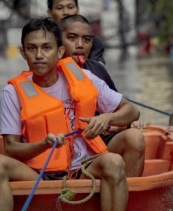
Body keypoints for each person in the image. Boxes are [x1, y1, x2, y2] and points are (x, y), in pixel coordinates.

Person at [0, 17, 142, 211]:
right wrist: (43, 144)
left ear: (59, 52)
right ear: (23, 53)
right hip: (38, 174)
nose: (39, 55)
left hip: (83, 168)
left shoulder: (85, 78)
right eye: (32, 49)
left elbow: (132, 111)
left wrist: (107, 118)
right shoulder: (11, 92)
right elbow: (11, 148)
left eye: (47, 48)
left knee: (114, 162)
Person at [59, 14, 144, 176]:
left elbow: (129, 110)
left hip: (93, 141)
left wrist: (107, 119)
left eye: (86, 40)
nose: (79, 45)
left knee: (134, 136)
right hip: (56, 150)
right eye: (72, 38)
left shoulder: (95, 72)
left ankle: (130, 194)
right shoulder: (45, 74)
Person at [47, 0, 105, 64]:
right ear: (49, 13)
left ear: (77, 10)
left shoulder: (94, 42)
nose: (66, 12)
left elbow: (98, 70)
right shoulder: (44, 41)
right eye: (59, 8)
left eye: (70, 7)